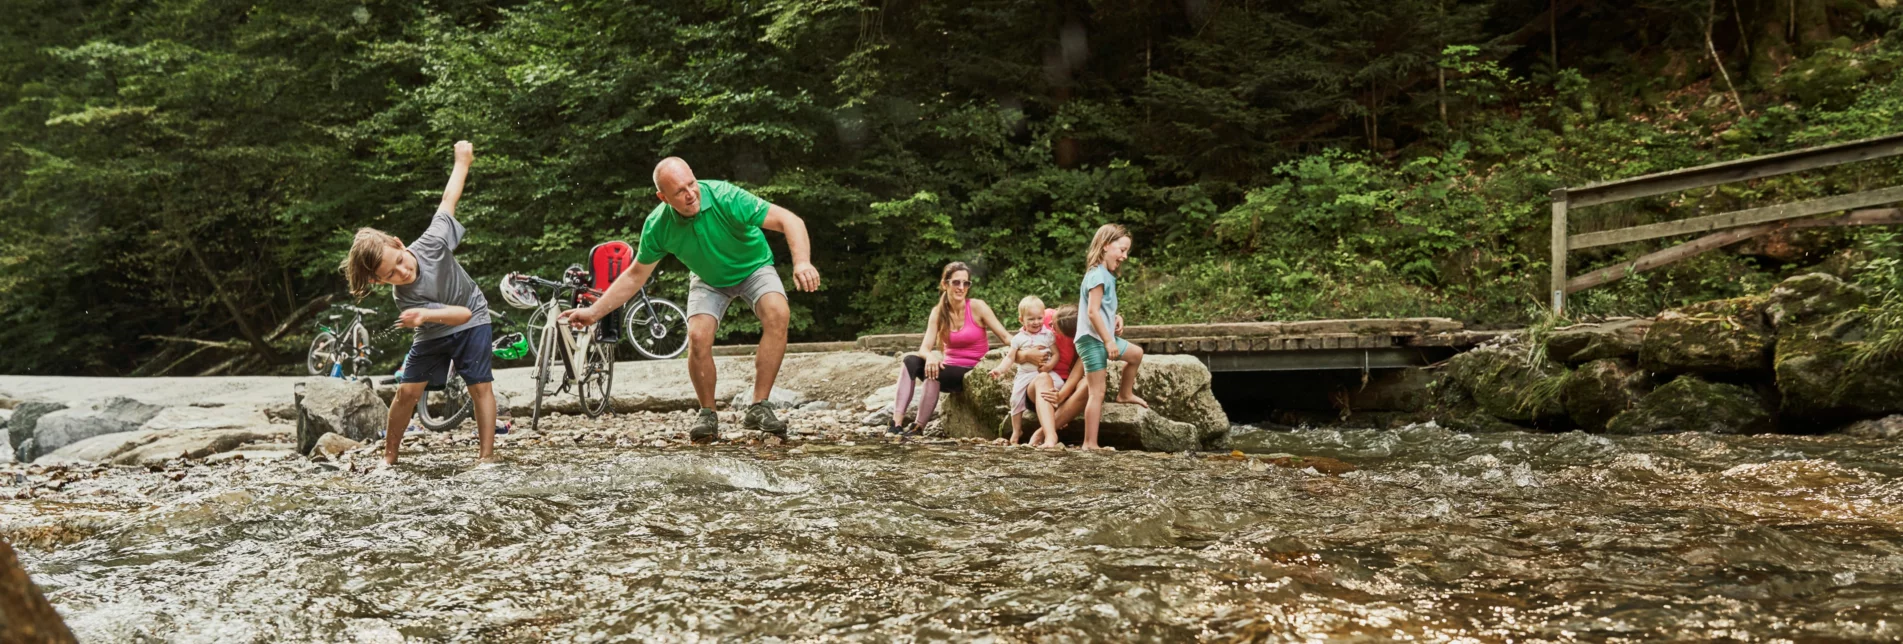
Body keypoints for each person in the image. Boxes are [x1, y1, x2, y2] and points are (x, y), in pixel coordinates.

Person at [558, 157, 819, 443]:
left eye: (691, 184)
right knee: (697, 336)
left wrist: (802, 262)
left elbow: (789, 220)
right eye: (679, 191)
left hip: (753, 267)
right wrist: (594, 313)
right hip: (708, 278)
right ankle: (707, 413)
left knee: (778, 314)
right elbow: (635, 276)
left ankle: (759, 406)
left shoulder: (725, 196)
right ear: (663, 197)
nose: (690, 193)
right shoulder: (658, 225)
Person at [341, 140, 500, 465]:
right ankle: (389, 459)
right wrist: (420, 319)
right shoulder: (404, 297)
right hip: (432, 328)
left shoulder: (432, 242)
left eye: (399, 259)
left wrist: (463, 161)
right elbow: (442, 320)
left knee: (479, 386)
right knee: (406, 391)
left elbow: (448, 199)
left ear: (400, 244)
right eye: (392, 274)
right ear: (378, 281)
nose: (403, 270)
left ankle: (486, 460)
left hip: (472, 315)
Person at [890, 261, 1016, 436]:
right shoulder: (938, 312)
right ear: (945, 284)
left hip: (970, 370)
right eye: (956, 282)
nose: (961, 287)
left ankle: (918, 427)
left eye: (966, 283)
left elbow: (1005, 337)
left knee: (934, 372)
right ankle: (895, 424)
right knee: (909, 361)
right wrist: (932, 357)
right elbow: (924, 348)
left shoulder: (978, 307)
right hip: (947, 369)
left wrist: (1025, 344)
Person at [1075, 224, 1147, 451]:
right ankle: (1090, 443)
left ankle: (1125, 395)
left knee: (1136, 354)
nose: (1125, 256)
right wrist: (1108, 341)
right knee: (1097, 392)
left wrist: (1116, 318)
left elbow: (1102, 309)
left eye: (1127, 251)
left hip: (1102, 336)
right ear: (1106, 246)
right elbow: (1092, 312)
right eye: (1122, 250)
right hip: (1091, 339)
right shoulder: (1096, 274)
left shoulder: (1106, 274)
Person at [987, 296, 1056, 445]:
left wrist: (1049, 366)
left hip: (1045, 372)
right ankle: (1017, 430)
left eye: (1039, 318)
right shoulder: (1018, 338)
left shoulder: (1048, 335)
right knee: (1015, 399)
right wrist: (999, 370)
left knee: (1059, 388)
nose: (1036, 322)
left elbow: (1056, 354)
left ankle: (1058, 419)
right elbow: (1010, 358)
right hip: (1025, 374)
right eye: (1031, 319)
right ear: (1021, 320)